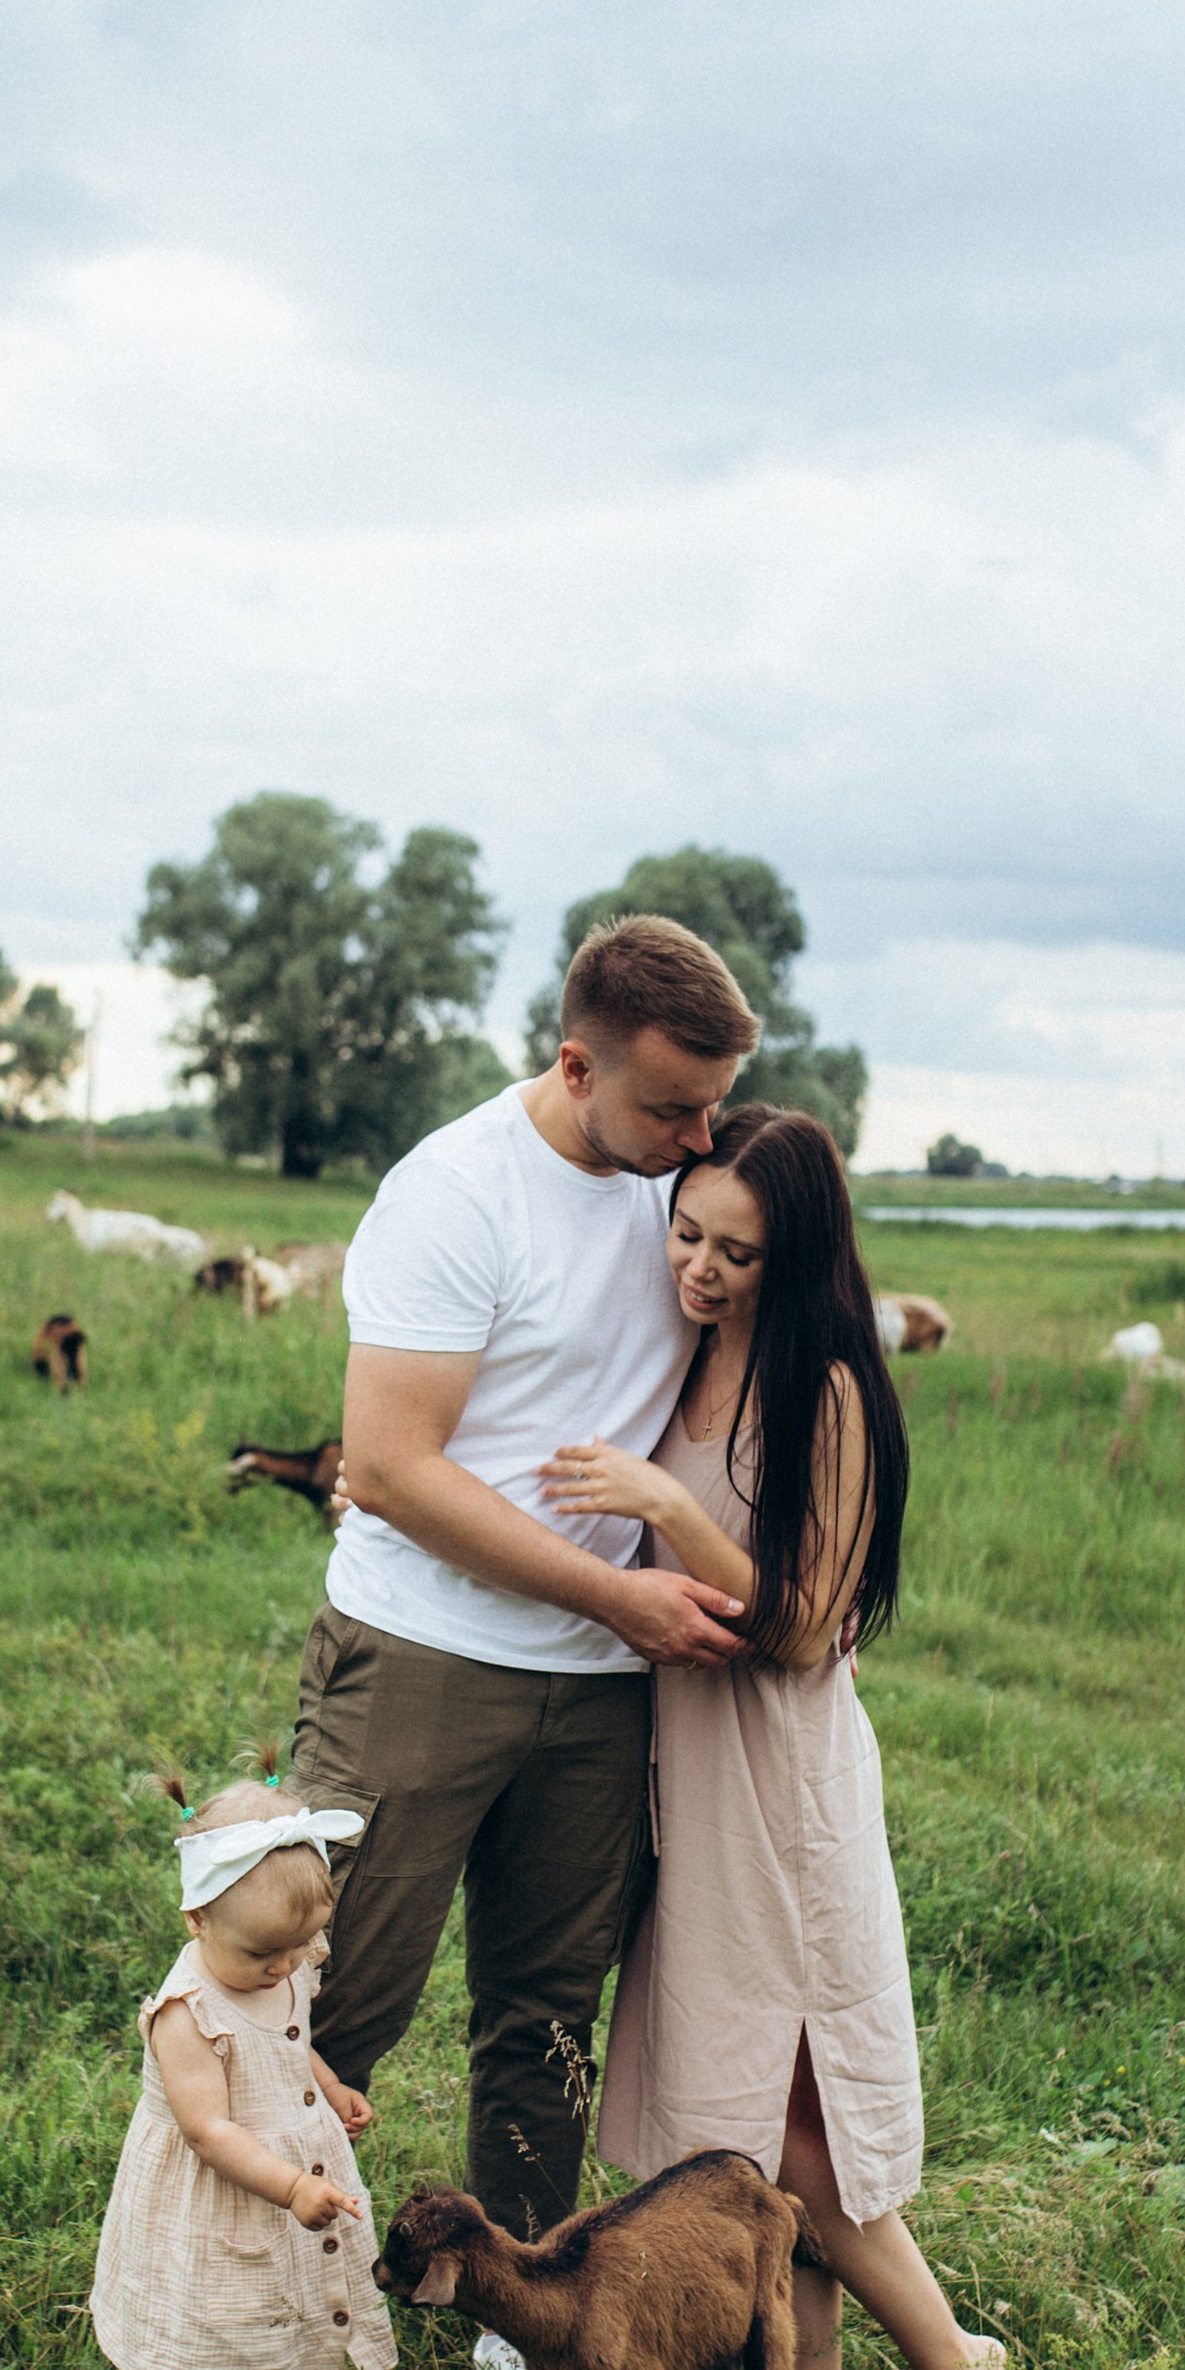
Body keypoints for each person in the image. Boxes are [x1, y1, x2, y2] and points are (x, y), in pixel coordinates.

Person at [291, 913, 759, 2264]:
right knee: (327, 1991)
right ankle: (241, 2319)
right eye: (672, 1106)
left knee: (547, 2012)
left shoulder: (691, 1187)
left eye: (716, 1106)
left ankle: (529, 2310)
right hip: (424, 1657)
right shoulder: (456, 1193)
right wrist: (616, 1598)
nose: (697, 1138)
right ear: (574, 1065)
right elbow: (386, 1465)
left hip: (606, 1693)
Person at [540, 1106, 1004, 2370]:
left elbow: (802, 1627)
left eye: (736, 1254)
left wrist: (670, 1506)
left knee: (801, 2129)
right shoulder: (672, 1359)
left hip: (780, 1779)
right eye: (685, 1234)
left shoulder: (831, 1388)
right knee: (744, 2116)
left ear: (791, 1258)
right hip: (686, 1771)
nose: (699, 1268)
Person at [88, 1780, 395, 2370]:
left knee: (307, 2327)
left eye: (300, 1949)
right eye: (263, 1953)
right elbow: (208, 2130)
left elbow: (291, 2038)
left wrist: (329, 2087)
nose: (285, 1968)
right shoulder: (187, 2012)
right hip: (221, 2205)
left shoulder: (282, 1962)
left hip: (297, 2191)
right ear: (197, 1918)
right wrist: (292, 2186)